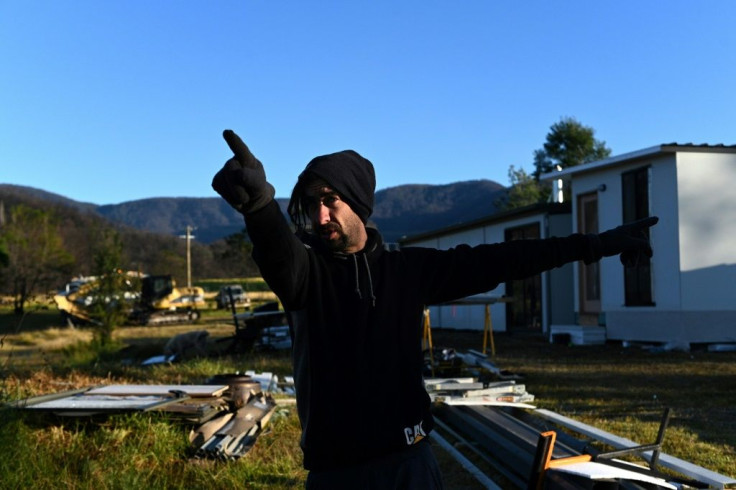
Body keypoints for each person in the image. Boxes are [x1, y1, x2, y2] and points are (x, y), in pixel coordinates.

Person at [212, 130, 658, 489]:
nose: (321, 216)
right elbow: (276, 251)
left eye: (330, 200)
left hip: (410, 463)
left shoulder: (407, 271)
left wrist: (598, 243)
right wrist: (259, 207)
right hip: (336, 474)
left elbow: (506, 259)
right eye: (312, 205)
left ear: (358, 203)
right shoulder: (305, 274)